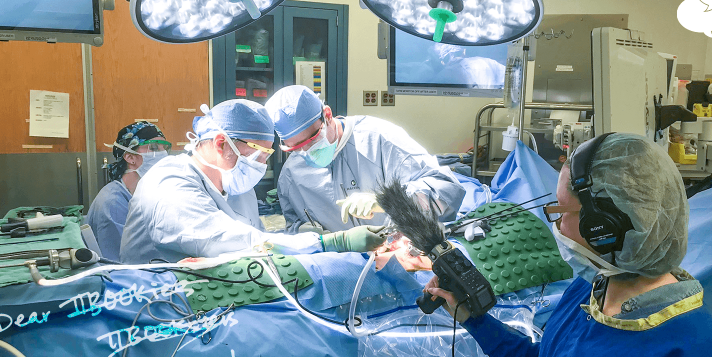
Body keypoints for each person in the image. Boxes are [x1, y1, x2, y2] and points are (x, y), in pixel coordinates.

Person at [425, 133, 712, 357]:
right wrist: (474, 319)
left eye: (561, 210)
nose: (556, 225)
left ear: (603, 228)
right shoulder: (590, 291)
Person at [119, 99, 385, 264]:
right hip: (158, 310)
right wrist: (331, 244)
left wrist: (294, 237)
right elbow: (227, 241)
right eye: (259, 155)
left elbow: (258, 242)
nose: (262, 165)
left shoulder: (235, 186)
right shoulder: (167, 182)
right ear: (222, 144)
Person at [264, 85, 465, 234]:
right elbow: (293, 227)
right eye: (295, 148)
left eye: (312, 139)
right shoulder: (291, 174)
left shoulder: (380, 139)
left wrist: (388, 201)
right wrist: (306, 234)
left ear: (327, 115)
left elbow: (447, 191)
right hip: (342, 268)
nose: (307, 152)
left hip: (399, 261)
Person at [85, 121, 170, 262]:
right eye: (153, 147)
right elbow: (122, 263)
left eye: (165, 148)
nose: (163, 154)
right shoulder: (112, 203)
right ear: (130, 157)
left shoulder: (144, 194)